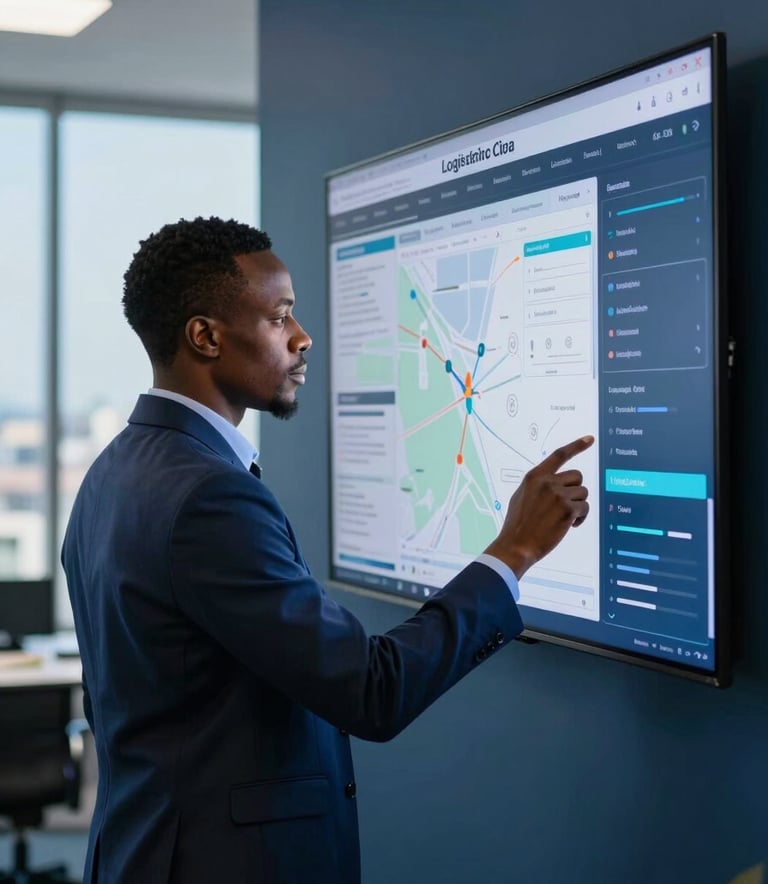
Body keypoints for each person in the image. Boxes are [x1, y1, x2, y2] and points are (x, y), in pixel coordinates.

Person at [62, 216, 592, 884]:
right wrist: (513, 551)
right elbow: (372, 691)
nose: (302, 336)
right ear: (205, 336)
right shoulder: (207, 498)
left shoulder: (114, 471)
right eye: (280, 315)